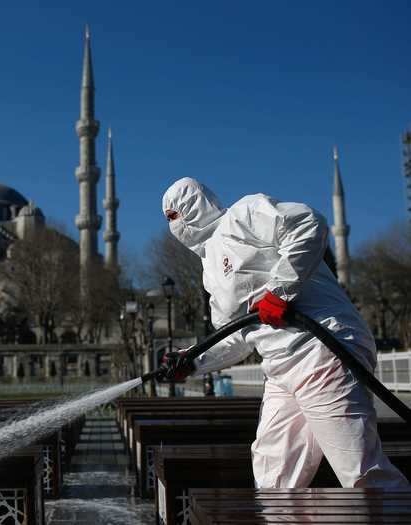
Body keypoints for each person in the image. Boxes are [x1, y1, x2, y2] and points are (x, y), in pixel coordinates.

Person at [161, 177, 408, 489]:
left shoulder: (243, 215)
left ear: (194, 206)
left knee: (360, 472)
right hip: (279, 370)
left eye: (174, 214)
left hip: (321, 350)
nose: (173, 225)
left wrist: (280, 292)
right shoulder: (209, 273)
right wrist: (193, 361)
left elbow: (308, 224)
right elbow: (238, 336)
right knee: (273, 476)